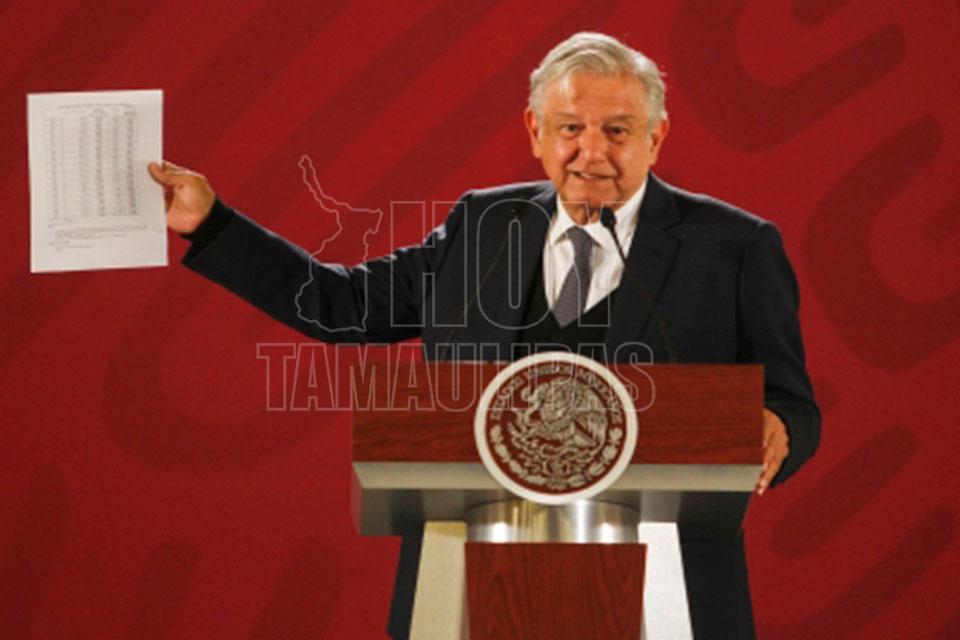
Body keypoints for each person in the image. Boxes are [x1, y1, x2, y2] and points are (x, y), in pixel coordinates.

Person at [150, 31, 819, 639]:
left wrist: (779, 428)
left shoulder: (733, 246)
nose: (592, 151)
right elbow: (343, 304)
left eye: (617, 130)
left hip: (668, 590)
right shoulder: (483, 225)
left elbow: (793, 404)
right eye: (570, 128)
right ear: (535, 130)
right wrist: (212, 224)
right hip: (469, 582)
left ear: (656, 136)